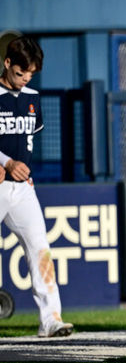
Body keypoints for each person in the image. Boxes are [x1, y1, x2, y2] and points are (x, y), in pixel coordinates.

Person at [0, 36, 73, 339]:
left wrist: (17, 166)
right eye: (20, 73)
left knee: (40, 248)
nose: (25, 79)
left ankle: (51, 319)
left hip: (22, 188)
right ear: (7, 64)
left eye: (30, 74)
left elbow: (28, 140)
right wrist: (5, 162)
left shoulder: (32, 96)